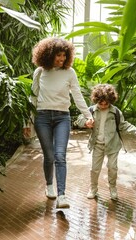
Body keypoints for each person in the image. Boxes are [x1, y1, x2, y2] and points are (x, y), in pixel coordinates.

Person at [31, 37, 94, 208]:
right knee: (49, 156)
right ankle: (49, 185)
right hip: (42, 117)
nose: (61, 59)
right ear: (48, 54)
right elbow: (33, 97)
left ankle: (62, 195)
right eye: (58, 56)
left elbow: (78, 96)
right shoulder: (40, 72)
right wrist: (26, 122)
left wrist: (88, 115)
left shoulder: (70, 72)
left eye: (64, 56)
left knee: (60, 156)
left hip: (62, 118)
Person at [76, 84, 136, 200]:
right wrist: (85, 123)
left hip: (112, 144)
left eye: (106, 103)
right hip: (97, 144)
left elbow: (123, 125)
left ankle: (113, 188)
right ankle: (93, 189)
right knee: (94, 169)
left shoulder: (115, 112)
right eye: (100, 103)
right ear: (96, 100)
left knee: (112, 168)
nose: (103, 105)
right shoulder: (91, 110)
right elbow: (79, 119)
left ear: (110, 101)